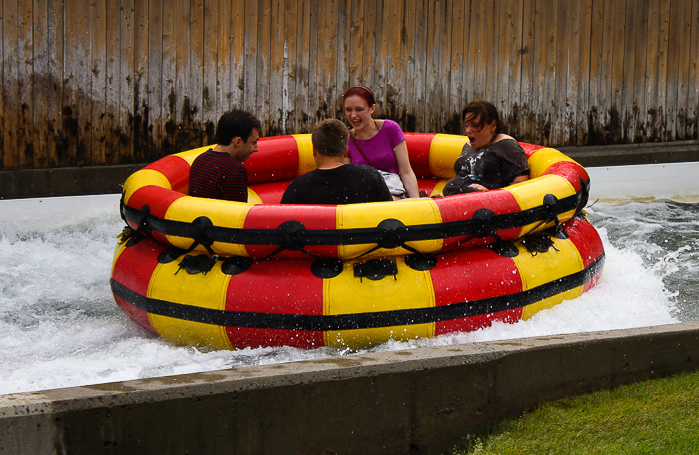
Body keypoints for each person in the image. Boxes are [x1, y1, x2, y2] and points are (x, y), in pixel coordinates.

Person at [280, 119, 392, 205]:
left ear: (314, 150)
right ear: (345, 151)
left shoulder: (298, 187)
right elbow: (390, 219)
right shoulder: (370, 177)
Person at [343, 86, 420, 200]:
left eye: (359, 109)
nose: (353, 115)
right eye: (348, 110)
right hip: (364, 200)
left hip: (393, 196)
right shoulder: (346, 139)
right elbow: (348, 179)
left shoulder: (391, 129)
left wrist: (416, 202)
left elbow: (406, 171)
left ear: (372, 108)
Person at [442, 100, 529, 196]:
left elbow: (521, 188)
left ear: (492, 126)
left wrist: (489, 195)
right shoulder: (468, 147)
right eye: (466, 125)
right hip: (450, 201)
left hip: (481, 205)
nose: (468, 131)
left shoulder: (507, 147)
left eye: (475, 126)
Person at [188, 109, 261, 202]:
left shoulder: (199, 161)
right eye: (254, 143)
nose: (256, 149)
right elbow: (237, 213)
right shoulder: (234, 170)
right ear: (238, 141)